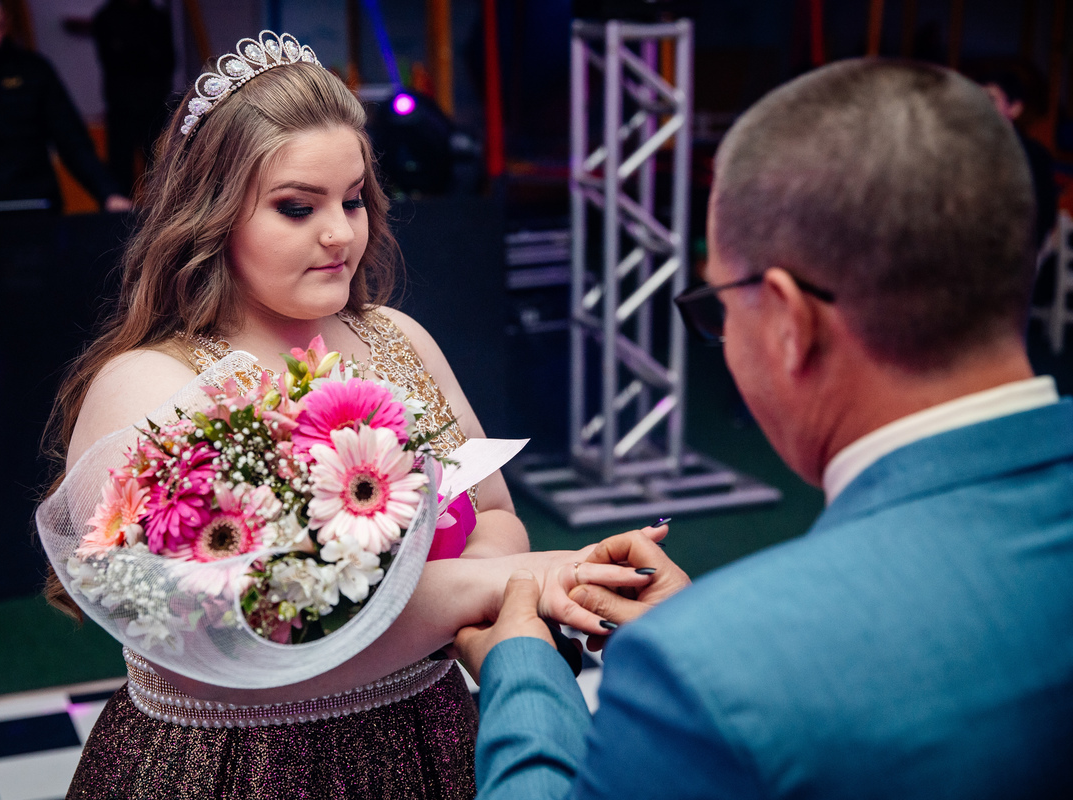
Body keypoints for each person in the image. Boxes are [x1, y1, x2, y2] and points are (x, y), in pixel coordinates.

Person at [43, 30, 655, 799]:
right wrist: (506, 584)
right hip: (235, 768)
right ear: (212, 214)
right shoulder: (147, 385)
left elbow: (495, 514)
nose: (340, 233)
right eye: (298, 207)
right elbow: (224, 646)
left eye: (354, 199)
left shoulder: (397, 339)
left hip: (430, 736)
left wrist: (490, 573)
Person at [456, 59, 1073, 799]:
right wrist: (708, 625)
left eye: (719, 304)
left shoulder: (710, 674)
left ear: (787, 321)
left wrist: (522, 672)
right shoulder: (723, 652)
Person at [0, 0, 131, 215]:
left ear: (5, 21)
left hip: (35, 204)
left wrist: (109, 193)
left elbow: (72, 139)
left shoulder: (34, 70)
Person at [91, 0, 175, 196]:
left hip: (154, 105)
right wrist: (144, 56)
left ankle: (162, 209)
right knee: (120, 171)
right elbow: (110, 60)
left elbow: (169, 61)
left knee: (159, 167)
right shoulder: (107, 17)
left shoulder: (157, 17)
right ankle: (120, 212)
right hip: (121, 106)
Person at [981, 69, 1059, 248]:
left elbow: (1043, 215)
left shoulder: (1033, 155)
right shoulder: (966, 148)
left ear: (1014, 109)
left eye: (991, 99)